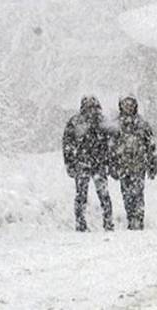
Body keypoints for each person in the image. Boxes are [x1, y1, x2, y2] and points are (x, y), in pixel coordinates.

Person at [62, 95, 114, 232]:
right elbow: (67, 144)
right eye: (88, 105)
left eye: (93, 105)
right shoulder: (75, 122)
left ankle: (108, 222)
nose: (91, 108)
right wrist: (69, 163)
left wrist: (109, 161)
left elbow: (111, 144)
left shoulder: (102, 122)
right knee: (81, 195)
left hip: (98, 164)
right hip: (82, 163)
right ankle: (80, 223)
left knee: (104, 195)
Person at [113, 96, 157, 230]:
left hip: (139, 166)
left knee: (138, 193)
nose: (128, 107)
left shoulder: (142, 124)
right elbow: (111, 147)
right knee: (126, 194)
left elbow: (151, 146)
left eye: (131, 104)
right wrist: (113, 165)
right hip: (123, 166)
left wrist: (152, 165)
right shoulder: (116, 125)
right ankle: (131, 218)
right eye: (125, 104)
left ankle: (138, 219)